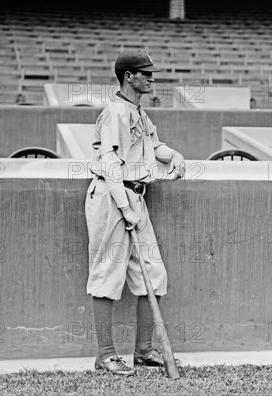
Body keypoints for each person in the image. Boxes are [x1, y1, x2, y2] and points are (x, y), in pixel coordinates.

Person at [85, 51, 185, 376]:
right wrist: (125, 207)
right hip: (112, 196)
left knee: (154, 275)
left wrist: (174, 157)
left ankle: (143, 351)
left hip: (135, 196)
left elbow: (153, 146)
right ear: (129, 76)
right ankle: (105, 355)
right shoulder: (114, 112)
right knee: (107, 274)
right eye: (146, 74)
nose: (152, 79)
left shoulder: (138, 112)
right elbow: (111, 164)